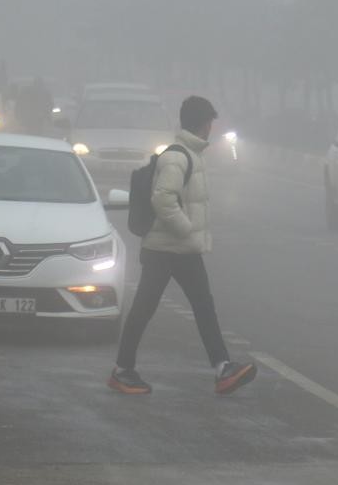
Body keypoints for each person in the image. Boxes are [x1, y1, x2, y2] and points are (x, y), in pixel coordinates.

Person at [109, 96, 257, 395]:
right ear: (204, 124)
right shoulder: (178, 157)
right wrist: (186, 229)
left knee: (201, 306)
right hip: (166, 249)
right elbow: (163, 199)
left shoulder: (191, 154)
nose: (211, 128)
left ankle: (221, 368)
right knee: (148, 309)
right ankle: (123, 371)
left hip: (177, 249)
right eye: (210, 122)